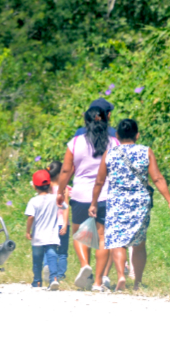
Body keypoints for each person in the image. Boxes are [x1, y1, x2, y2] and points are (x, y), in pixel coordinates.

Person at [89, 118, 170, 292]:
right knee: (139, 243)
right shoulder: (146, 151)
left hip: (116, 203)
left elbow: (99, 182)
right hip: (140, 202)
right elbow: (157, 178)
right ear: (137, 135)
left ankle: (121, 275)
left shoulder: (110, 154)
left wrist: (93, 203)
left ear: (117, 136)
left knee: (117, 241)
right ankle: (137, 282)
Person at [56, 100, 120, 291]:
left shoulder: (75, 142)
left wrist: (60, 192)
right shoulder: (114, 142)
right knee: (102, 238)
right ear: (106, 119)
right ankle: (98, 282)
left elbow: (66, 170)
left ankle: (85, 265)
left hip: (81, 194)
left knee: (80, 234)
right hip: (106, 195)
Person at [25, 168, 66, 289]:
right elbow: (64, 206)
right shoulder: (55, 198)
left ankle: (37, 281)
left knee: (37, 259)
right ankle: (54, 278)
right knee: (52, 255)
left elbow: (31, 217)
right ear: (49, 184)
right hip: (52, 234)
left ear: (34, 187)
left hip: (37, 236)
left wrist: (28, 231)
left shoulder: (33, 201)